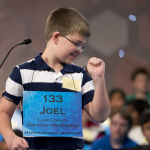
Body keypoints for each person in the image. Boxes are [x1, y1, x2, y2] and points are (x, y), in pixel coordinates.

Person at [0, 7, 110, 150]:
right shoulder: (22, 72)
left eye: (82, 46)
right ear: (56, 37)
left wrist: (99, 79)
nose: (79, 50)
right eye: (76, 43)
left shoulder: (80, 75)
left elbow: (100, 116)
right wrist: (10, 138)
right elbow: (4, 113)